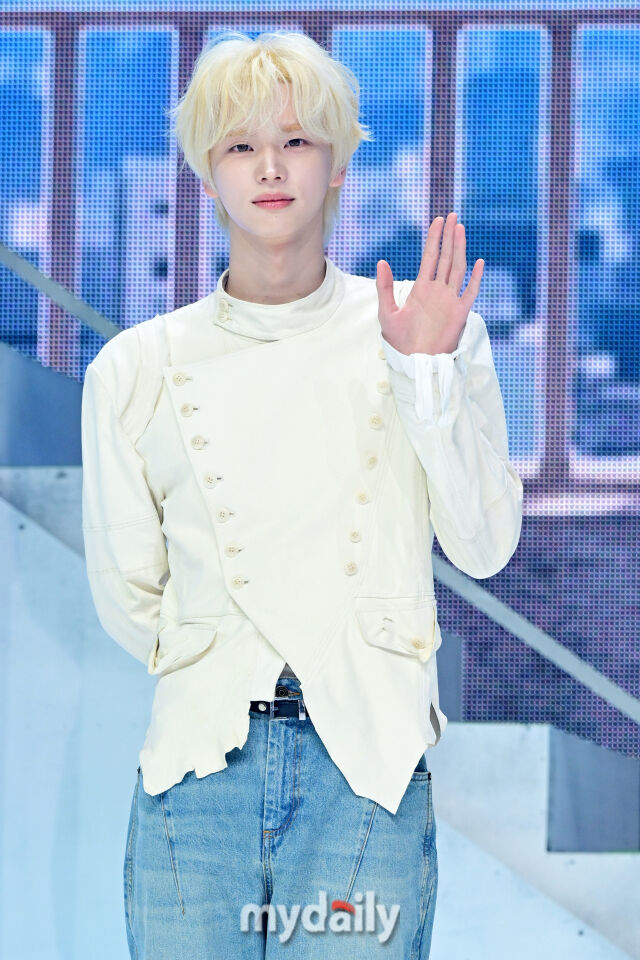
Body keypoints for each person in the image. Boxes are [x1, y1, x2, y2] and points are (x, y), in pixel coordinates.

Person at [81, 29, 523, 959]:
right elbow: (129, 594)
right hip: (197, 775)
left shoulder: (424, 333)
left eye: (296, 141)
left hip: (368, 773)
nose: (271, 167)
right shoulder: (135, 368)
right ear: (208, 176)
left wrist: (426, 373)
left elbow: (484, 547)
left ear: (338, 166)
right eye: (241, 145)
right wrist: (220, 663)